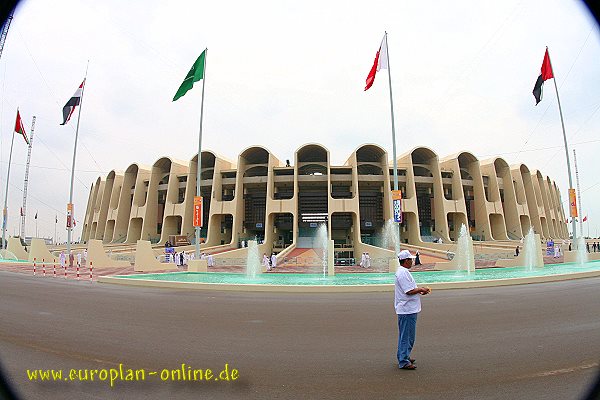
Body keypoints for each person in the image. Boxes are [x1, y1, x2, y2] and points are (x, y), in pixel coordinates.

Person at [395, 250, 430, 370]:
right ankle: (403, 360)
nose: (412, 261)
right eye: (410, 259)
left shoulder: (403, 272)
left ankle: (403, 355)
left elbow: (410, 289)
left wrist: (420, 290)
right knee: (408, 336)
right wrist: (421, 289)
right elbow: (409, 291)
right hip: (407, 309)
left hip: (407, 308)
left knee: (405, 335)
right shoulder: (403, 273)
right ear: (406, 261)